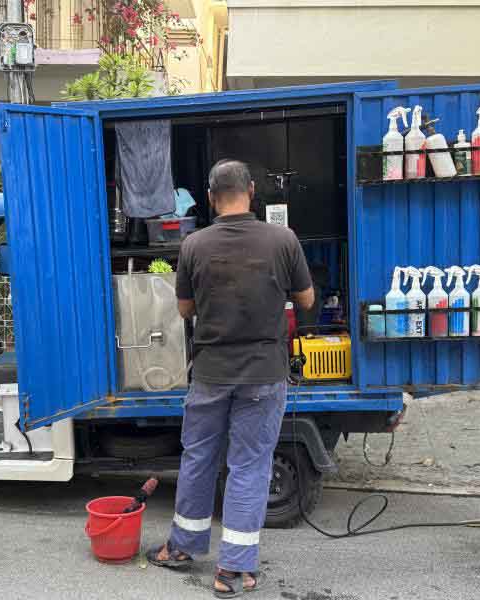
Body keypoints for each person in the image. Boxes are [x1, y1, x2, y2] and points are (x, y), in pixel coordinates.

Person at [147, 159, 314, 598]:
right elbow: (306, 299)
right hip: (264, 373)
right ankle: (234, 570)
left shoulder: (194, 244)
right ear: (252, 190)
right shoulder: (283, 239)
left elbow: (184, 309)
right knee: (250, 466)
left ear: (209, 197)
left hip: (210, 373)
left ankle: (182, 548)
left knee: (199, 458)